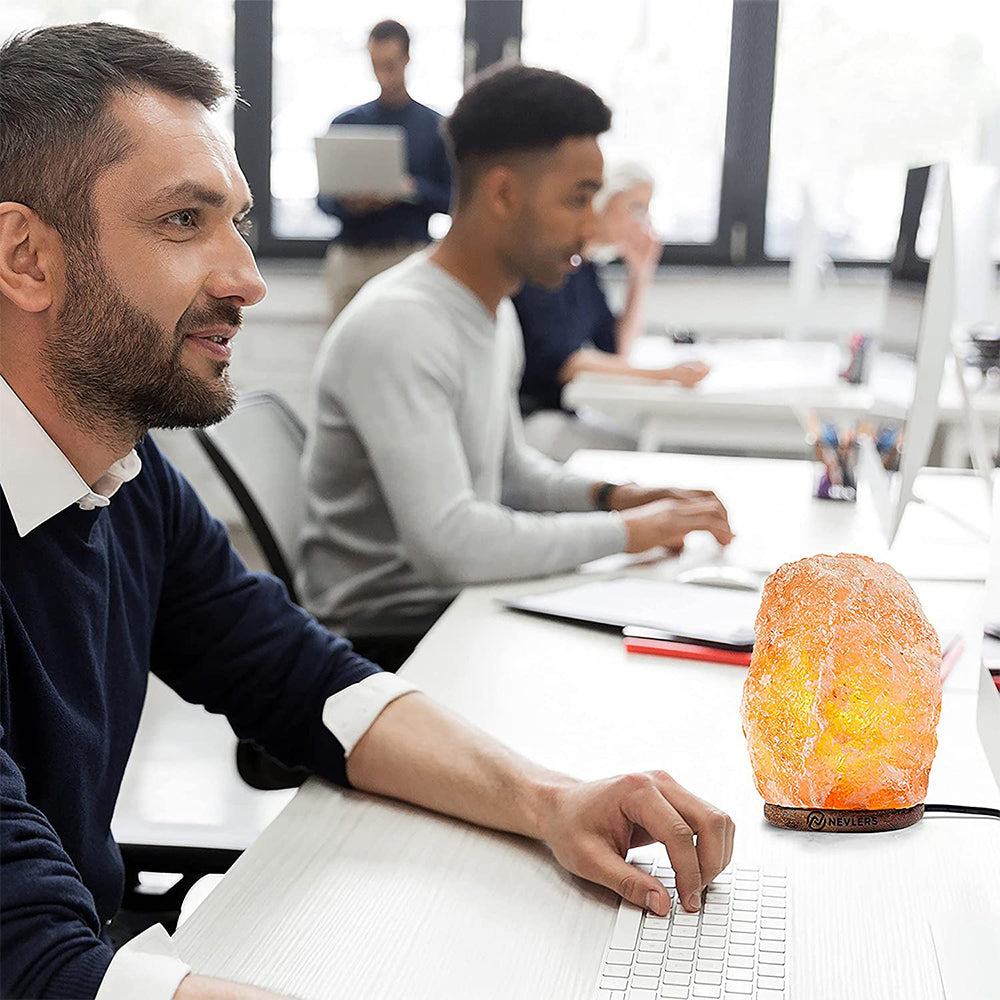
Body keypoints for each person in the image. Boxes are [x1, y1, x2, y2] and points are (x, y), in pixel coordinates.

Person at [0, 24, 735, 1000]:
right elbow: (36, 967)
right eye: (183, 221)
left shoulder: (125, 482)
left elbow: (307, 680)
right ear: (26, 257)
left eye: (239, 223)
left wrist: (550, 800)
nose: (247, 279)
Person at [300, 66, 734, 637]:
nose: (589, 230)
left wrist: (617, 498)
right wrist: (632, 532)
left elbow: (507, 474)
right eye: (578, 201)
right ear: (503, 193)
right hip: (388, 642)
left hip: (454, 609)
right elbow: (449, 547)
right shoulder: (400, 326)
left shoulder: (493, 309)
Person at [514, 162, 710, 461]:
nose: (643, 222)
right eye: (636, 208)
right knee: (648, 450)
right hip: (529, 421)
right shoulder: (549, 265)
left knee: (647, 440)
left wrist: (641, 274)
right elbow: (570, 364)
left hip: (560, 415)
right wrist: (668, 374)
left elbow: (617, 349)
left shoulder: (585, 268)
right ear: (601, 202)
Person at [317, 20, 452, 323]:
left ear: (407, 59)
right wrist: (351, 202)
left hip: (407, 254)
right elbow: (323, 201)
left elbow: (451, 200)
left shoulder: (436, 128)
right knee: (344, 351)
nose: (383, 74)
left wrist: (411, 189)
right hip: (351, 255)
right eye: (376, 65)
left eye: (390, 64)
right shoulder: (346, 124)